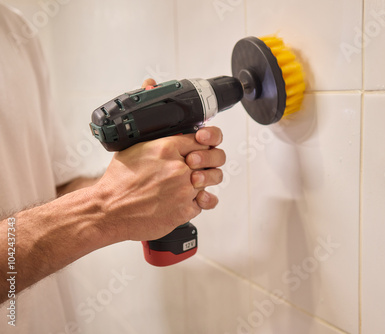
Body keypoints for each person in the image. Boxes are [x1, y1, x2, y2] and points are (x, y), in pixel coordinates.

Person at [0, 2, 225, 330]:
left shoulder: (13, 28)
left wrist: (139, 181)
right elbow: (100, 206)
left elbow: (49, 188)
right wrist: (106, 208)